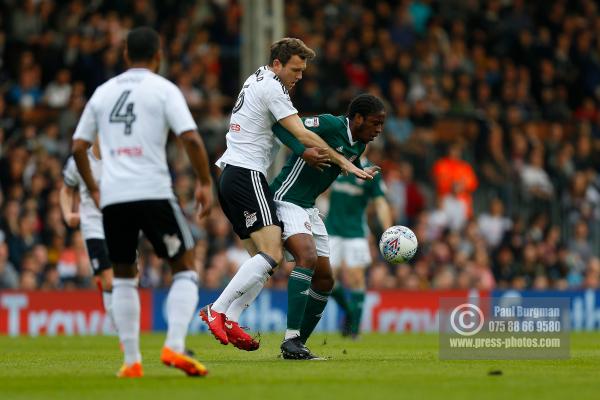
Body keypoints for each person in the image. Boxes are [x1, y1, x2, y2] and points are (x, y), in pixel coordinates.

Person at [200, 38, 374, 351]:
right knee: (272, 254)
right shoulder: (273, 88)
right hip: (246, 173)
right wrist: (342, 161)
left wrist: (305, 150)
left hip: (232, 173)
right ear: (278, 64)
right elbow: (301, 132)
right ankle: (219, 309)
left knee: (264, 258)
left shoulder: (257, 76)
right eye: (296, 69)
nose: (300, 76)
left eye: (303, 70)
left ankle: (231, 316)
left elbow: (288, 134)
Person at [71, 27, 213, 378]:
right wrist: (205, 181)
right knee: (185, 266)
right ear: (158, 55)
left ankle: (132, 361)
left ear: (124, 56)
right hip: (152, 190)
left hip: (115, 196)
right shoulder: (164, 89)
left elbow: (77, 146)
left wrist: (94, 187)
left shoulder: (103, 92)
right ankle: (174, 346)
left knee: (122, 276)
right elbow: (192, 139)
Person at [268, 94, 386, 359]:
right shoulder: (330, 124)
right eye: (375, 123)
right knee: (306, 258)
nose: (379, 130)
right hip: (286, 198)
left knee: (325, 279)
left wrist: (357, 170)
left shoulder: (359, 147)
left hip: (309, 206)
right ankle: (290, 338)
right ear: (357, 118)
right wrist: (302, 151)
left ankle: (297, 344)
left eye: (382, 124)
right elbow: (280, 126)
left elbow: (341, 161)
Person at [326, 155, 393, 339]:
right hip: (332, 229)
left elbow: (380, 203)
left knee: (356, 277)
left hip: (356, 232)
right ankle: (349, 311)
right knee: (327, 280)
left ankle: (354, 329)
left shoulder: (371, 171)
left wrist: (388, 231)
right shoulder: (336, 161)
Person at [60, 139, 116, 327]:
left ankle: (123, 325)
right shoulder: (79, 160)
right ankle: (123, 332)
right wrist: (68, 214)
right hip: (93, 226)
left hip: (120, 225)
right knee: (109, 282)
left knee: (129, 279)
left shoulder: (121, 158)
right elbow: (66, 190)